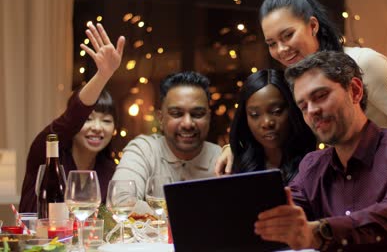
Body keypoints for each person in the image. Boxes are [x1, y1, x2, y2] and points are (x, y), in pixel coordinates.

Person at [254, 51, 387, 251]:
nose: (312, 111)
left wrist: (319, 233)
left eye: (321, 96)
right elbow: (285, 215)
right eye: (303, 106)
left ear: (355, 90)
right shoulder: (313, 166)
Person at [215, 0, 387, 175]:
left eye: (288, 35)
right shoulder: (295, 84)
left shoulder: (366, 63)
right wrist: (233, 148)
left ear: (312, 26)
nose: (281, 50)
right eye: (272, 43)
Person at [19, 23, 125, 212]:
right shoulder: (47, 154)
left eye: (106, 121)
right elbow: (72, 117)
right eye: (88, 119)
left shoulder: (110, 171)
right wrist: (103, 75)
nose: (98, 127)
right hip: (39, 241)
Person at [111, 71, 221, 199]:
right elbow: (120, 200)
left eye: (197, 114)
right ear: (161, 119)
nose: (187, 123)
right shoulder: (144, 150)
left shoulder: (221, 158)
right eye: (176, 113)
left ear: (209, 117)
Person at [230, 69, 316, 183]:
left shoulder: (315, 162)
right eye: (255, 115)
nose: (267, 123)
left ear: (293, 109)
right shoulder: (235, 166)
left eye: (276, 111)